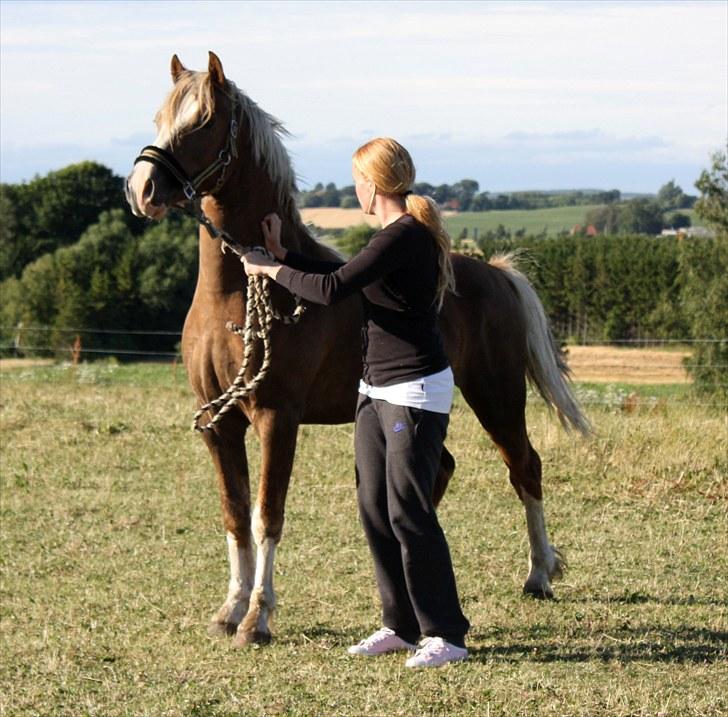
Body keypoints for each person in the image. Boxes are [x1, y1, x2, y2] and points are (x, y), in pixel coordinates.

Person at [242, 137, 469, 668]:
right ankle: (400, 624)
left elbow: (333, 288)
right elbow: (344, 278)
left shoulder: (405, 236)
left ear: (373, 184)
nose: (354, 191)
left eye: (356, 181)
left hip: (413, 392)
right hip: (374, 389)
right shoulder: (391, 237)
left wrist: (269, 270)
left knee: (409, 512)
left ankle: (447, 633)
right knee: (374, 509)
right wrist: (283, 255)